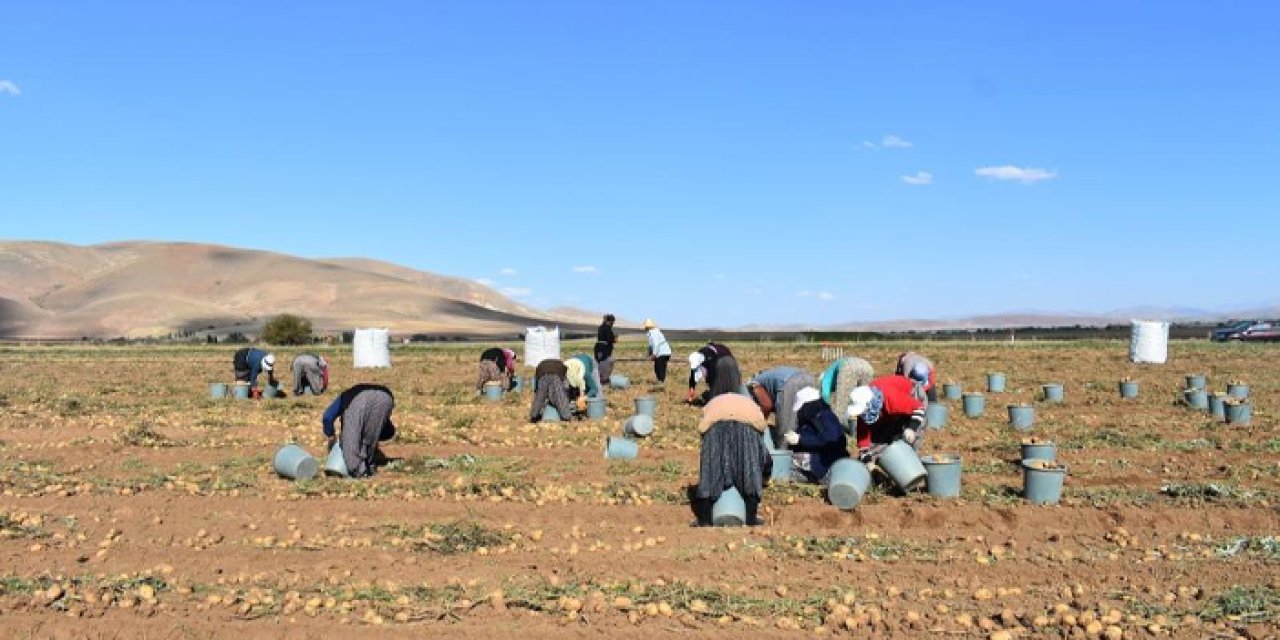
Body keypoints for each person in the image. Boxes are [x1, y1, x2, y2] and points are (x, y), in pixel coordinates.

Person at [691, 393, 773, 527]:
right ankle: (751, 519)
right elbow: (765, 457)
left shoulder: (714, 402)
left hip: (714, 425)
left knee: (710, 468)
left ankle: (704, 519)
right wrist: (764, 476)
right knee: (749, 468)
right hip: (747, 427)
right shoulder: (751, 406)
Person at [322, 384, 396, 478]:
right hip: (386, 397)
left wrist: (331, 436)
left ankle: (359, 472)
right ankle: (367, 464)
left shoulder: (344, 398)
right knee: (366, 437)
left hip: (358, 400)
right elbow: (388, 431)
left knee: (349, 442)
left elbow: (327, 417)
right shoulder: (349, 394)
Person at [847, 375, 927, 461]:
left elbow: (919, 409)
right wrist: (864, 452)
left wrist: (911, 428)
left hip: (912, 395)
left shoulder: (892, 399)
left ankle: (913, 463)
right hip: (891, 407)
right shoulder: (865, 410)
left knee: (910, 435)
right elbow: (863, 431)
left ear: (869, 404)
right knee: (881, 438)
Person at [781, 387, 850, 484]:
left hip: (828, 461)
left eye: (801, 408)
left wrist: (800, 440)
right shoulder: (814, 415)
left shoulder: (824, 417)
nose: (799, 412)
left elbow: (830, 440)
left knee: (788, 462)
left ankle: (816, 476)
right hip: (825, 458)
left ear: (807, 405)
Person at [746, 366, 816, 450]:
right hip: (808, 379)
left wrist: (760, 421)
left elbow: (766, 405)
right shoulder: (770, 376)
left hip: (790, 383)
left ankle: (782, 459)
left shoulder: (753, 384)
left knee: (785, 432)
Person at [819, 357, 875, 421]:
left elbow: (826, 399)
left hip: (848, 367)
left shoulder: (824, 382)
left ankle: (837, 426)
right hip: (867, 367)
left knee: (841, 405)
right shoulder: (831, 371)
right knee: (863, 398)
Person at [529, 357, 576, 422]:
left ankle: (534, 416)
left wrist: (537, 391)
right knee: (560, 397)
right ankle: (566, 417)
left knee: (539, 397)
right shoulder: (563, 366)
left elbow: (537, 386)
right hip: (555, 376)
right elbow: (565, 385)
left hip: (542, 373)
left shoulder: (541, 365)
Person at [644, 319, 672, 383]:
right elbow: (651, 345)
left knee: (659, 368)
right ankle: (660, 381)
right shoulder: (653, 332)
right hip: (663, 352)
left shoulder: (654, 332)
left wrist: (654, 355)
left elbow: (656, 344)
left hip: (662, 353)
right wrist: (649, 354)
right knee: (657, 368)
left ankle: (661, 383)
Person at [594, 314, 618, 381]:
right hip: (604, 349)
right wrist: (614, 339)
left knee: (599, 363)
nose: (613, 323)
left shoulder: (601, 327)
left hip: (598, 348)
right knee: (605, 363)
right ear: (610, 321)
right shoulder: (607, 328)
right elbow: (609, 339)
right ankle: (603, 379)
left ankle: (599, 378)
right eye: (613, 322)